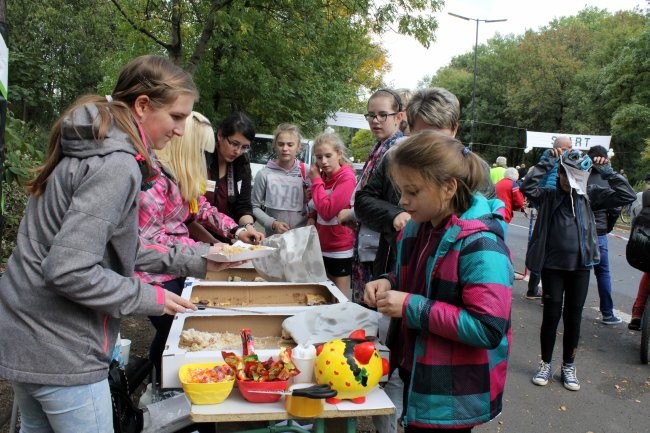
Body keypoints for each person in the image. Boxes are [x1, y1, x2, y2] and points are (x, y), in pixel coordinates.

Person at [0, 55, 240, 432]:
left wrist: (202, 259)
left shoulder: (98, 146)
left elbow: (119, 247)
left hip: (27, 334)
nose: (180, 131)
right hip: (62, 347)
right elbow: (70, 270)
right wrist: (152, 298)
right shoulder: (117, 163)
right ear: (142, 106)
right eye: (176, 117)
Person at [364, 130, 513, 433]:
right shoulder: (418, 227)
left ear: (448, 188)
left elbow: (488, 327)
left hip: (452, 391)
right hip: (418, 373)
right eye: (400, 192)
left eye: (412, 192)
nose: (403, 201)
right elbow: (417, 279)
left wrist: (410, 306)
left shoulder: (481, 245)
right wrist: (389, 282)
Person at [138, 111, 263, 377]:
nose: (204, 158)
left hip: (175, 267)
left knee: (173, 336)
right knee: (179, 332)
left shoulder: (174, 176)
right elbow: (148, 243)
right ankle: (163, 383)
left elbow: (200, 207)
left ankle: (161, 379)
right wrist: (205, 251)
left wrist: (237, 229)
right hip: (154, 275)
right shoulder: (152, 183)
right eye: (201, 150)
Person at [523, 148, 635, 392]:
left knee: (573, 318)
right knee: (551, 317)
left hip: (580, 268)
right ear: (560, 174)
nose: (571, 181)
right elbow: (527, 187)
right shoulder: (549, 195)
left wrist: (607, 171)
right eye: (567, 175)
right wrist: (547, 161)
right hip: (552, 266)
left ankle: (568, 366)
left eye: (578, 175)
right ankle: (545, 364)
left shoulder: (589, 195)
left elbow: (626, 195)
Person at [341, 88, 405, 303]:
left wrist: (354, 213)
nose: (375, 120)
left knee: (374, 307)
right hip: (369, 240)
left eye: (382, 115)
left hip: (383, 247)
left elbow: (391, 202)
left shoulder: (398, 151)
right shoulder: (380, 147)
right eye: (371, 115)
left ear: (399, 117)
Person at [586, 145, 635, 324]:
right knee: (603, 273)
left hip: (579, 231)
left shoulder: (580, 174)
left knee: (578, 272)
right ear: (605, 159)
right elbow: (617, 207)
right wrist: (608, 227)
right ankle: (607, 313)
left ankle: (569, 308)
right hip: (599, 232)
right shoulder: (609, 178)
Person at [306, 131, 356, 296]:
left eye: (328, 155)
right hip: (321, 245)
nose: (324, 161)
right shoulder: (323, 177)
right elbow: (317, 206)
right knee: (324, 296)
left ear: (339, 153)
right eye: (319, 157)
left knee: (340, 299)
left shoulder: (346, 178)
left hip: (339, 247)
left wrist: (315, 181)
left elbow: (327, 211)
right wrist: (312, 217)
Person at [526, 135, 573, 299]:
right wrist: (545, 204)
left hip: (547, 203)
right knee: (546, 247)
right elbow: (546, 183)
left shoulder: (551, 158)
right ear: (562, 148)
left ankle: (535, 288)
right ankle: (544, 291)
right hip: (550, 204)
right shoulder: (553, 160)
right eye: (569, 148)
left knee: (542, 245)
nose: (572, 150)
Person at [204, 111, 257, 241]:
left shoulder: (242, 164)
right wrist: (214, 243)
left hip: (226, 235)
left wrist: (249, 227)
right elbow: (195, 210)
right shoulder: (202, 159)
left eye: (244, 147)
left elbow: (243, 205)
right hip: (194, 237)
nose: (238, 151)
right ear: (220, 135)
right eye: (234, 143)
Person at [252, 123, 310, 236]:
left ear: (298, 147)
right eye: (281, 144)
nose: (285, 149)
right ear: (275, 145)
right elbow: (254, 207)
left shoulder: (308, 173)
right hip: (274, 239)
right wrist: (273, 223)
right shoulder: (264, 174)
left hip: (300, 238)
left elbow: (317, 205)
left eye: (290, 144)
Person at [628, 174, 650, 331]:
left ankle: (637, 312)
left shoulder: (641, 197)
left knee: (648, 273)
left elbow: (633, 223)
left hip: (641, 248)